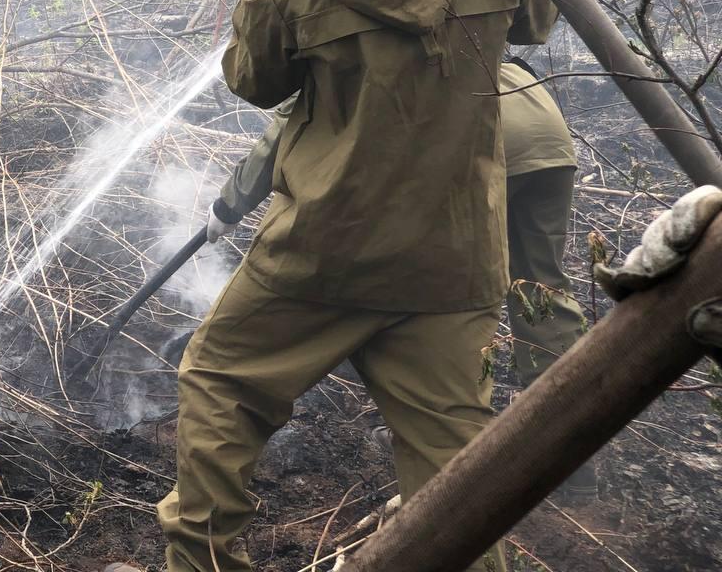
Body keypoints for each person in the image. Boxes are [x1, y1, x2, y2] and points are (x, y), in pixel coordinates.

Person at [153, 0, 557, 572]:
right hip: (452, 260)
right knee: (462, 481)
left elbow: (252, 83)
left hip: (321, 255)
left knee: (221, 381)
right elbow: (537, 25)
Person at [183, 58, 595, 499]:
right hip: (540, 127)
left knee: (409, 274)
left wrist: (228, 206)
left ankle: (422, 414)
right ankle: (572, 468)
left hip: (476, 138)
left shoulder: (350, 49)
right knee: (543, 293)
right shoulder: (454, 18)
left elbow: (288, 125)